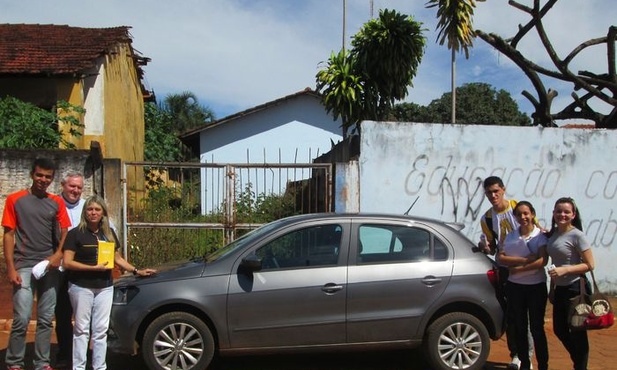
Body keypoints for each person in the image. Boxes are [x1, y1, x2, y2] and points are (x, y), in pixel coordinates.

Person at [62, 195, 156, 370]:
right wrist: (92, 268)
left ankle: (100, 366)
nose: (93, 213)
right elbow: (67, 262)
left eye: (97, 209)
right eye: (90, 209)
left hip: (104, 287)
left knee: (100, 330)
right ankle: (79, 367)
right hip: (81, 287)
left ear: (103, 212)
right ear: (85, 212)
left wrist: (137, 270)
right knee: (82, 330)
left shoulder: (108, 233)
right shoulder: (75, 233)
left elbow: (117, 258)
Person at [2, 158, 71, 370]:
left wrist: (57, 255)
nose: (43, 180)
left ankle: (42, 363)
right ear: (32, 175)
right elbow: (8, 234)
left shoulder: (56, 202)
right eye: (40, 175)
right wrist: (11, 268)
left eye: (48, 177)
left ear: (52, 179)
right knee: (22, 318)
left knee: (45, 318)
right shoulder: (15, 200)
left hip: (49, 267)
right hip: (23, 265)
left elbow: (65, 230)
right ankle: (14, 362)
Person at [477, 176, 525, 369]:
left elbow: (535, 232)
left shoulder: (517, 209)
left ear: (503, 189)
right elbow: (492, 247)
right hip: (505, 269)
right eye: (489, 192)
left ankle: (529, 355)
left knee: (528, 316)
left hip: (527, 268)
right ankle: (517, 355)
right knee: (512, 313)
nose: (493, 195)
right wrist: (485, 248)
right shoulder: (487, 218)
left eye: (496, 191)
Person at [498, 201, 549, 370]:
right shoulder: (510, 236)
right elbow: (502, 258)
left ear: (532, 214)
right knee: (519, 326)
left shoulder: (540, 236)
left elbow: (542, 260)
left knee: (536, 328)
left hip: (536, 287)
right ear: (515, 217)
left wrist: (518, 270)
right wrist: (525, 260)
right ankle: (525, 363)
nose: (523, 217)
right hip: (516, 288)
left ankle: (543, 365)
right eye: (519, 214)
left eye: (526, 213)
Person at [546, 197, 594, 370]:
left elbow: (590, 264)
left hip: (576, 288)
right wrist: (552, 288)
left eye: (567, 212)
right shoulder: (554, 234)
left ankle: (580, 366)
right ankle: (579, 361)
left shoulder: (577, 235)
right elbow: (554, 262)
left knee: (578, 331)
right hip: (560, 289)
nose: (562, 215)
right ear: (553, 213)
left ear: (573, 214)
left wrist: (565, 270)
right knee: (559, 329)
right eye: (559, 211)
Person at [54, 171, 86, 369]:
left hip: (82, 268)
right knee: (62, 312)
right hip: (59, 268)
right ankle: (64, 353)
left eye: (79, 187)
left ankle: (83, 354)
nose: (75, 190)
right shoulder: (53, 205)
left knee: (83, 315)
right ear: (63, 186)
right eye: (72, 186)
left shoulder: (87, 208)